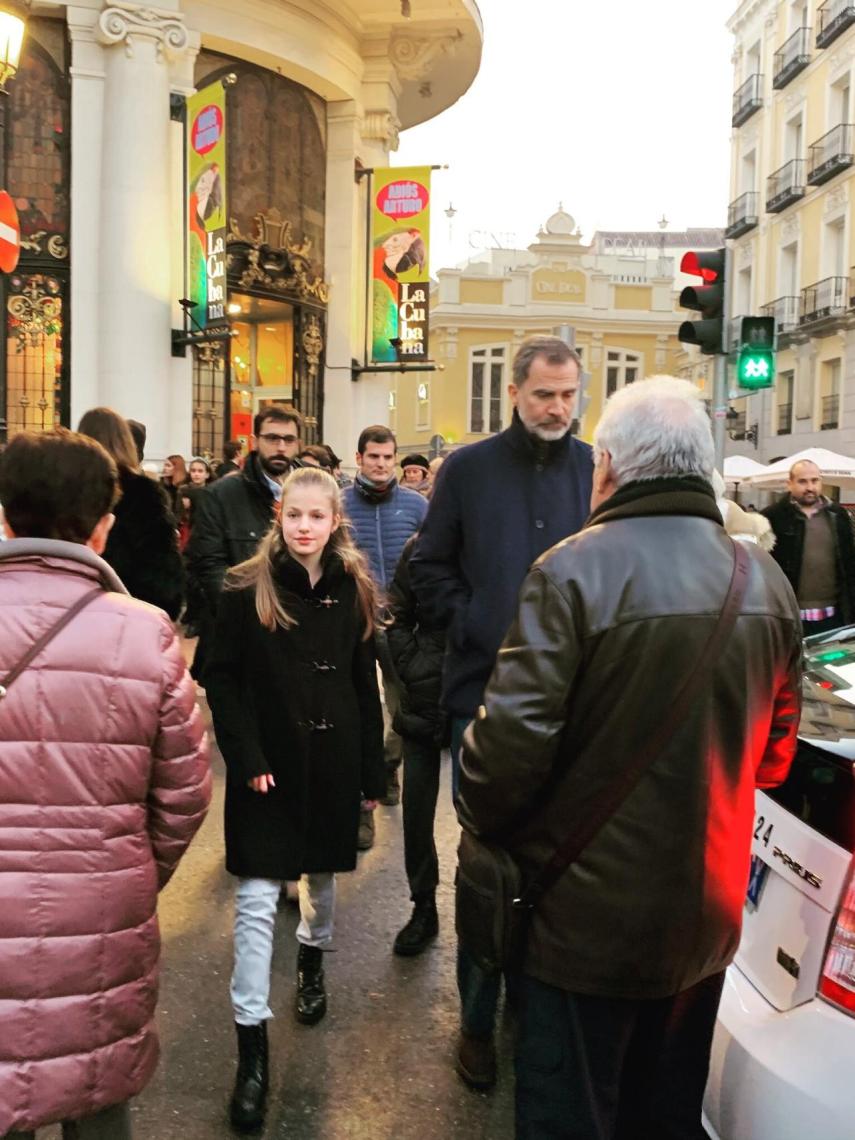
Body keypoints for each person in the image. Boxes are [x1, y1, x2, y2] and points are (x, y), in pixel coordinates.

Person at [457, 376, 802, 1139]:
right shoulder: (764, 580)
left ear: (605, 465)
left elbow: (500, 768)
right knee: (664, 1115)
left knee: (570, 1115)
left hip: (578, 933)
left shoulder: (569, 571)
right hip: (701, 929)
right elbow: (773, 762)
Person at [0, 429, 211, 1140]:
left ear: (3, 517)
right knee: (95, 1089)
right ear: (103, 527)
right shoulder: (143, 632)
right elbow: (184, 791)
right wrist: (132, 868)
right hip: (101, 903)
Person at [409, 334, 593, 1087]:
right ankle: (477, 1025)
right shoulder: (468, 468)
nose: (556, 408)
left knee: (554, 867)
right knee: (487, 868)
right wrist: (476, 619)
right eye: (544, 394)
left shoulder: (592, 469)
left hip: (574, 703)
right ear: (515, 392)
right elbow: (428, 565)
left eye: (568, 395)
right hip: (480, 698)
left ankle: (532, 1009)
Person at [204, 467, 384, 1133]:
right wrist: (245, 756)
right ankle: (252, 1052)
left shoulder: (354, 588)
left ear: (335, 522)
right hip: (267, 771)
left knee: (321, 880)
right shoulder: (244, 588)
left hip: (332, 764)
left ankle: (312, 956)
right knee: (254, 902)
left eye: (317, 516)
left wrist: (372, 775)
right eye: (293, 515)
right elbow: (221, 680)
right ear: (278, 517)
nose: (304, 527)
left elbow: (365, 686)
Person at [343, 426, 427, 839]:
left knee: (401, 707)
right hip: (351, 620)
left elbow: (430, 559)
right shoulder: (339, 504)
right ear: (359, 458)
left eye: (387, 457)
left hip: (400, 622)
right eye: (373, 456)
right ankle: (362, 800)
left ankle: (388, 766)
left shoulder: (416, 505)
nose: (380, 464)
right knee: (357, 711)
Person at [188, 404, 304, 678]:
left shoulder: (311, 491)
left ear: (298, 444)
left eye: (288, 440)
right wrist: (250, 618)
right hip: (237, 642)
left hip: (298, 640)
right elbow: (209, 567)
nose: (280, 447)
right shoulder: (221, 495)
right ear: (255, 441)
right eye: (272, 438)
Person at [386, 533, 447, 956]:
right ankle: (423, 904)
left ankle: (484, 909)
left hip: (481, 693)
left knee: (484, 811)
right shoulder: (422, 547)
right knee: (418, 811)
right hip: (425, 694)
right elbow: (396, 612)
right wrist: (415, 665)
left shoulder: (499, 538)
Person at [77, 407, 185, 620]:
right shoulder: (145, 494)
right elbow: (165, 580)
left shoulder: (68, 491)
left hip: (75, 611)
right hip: (130, 614)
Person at [763, 458, 855, 635]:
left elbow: (849, 565)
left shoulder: (838, 515)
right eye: (802, 481)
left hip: (835, 617)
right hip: (788, 617)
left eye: (815, 480)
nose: (810, 487)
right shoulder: (772, 517)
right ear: (790, 484)